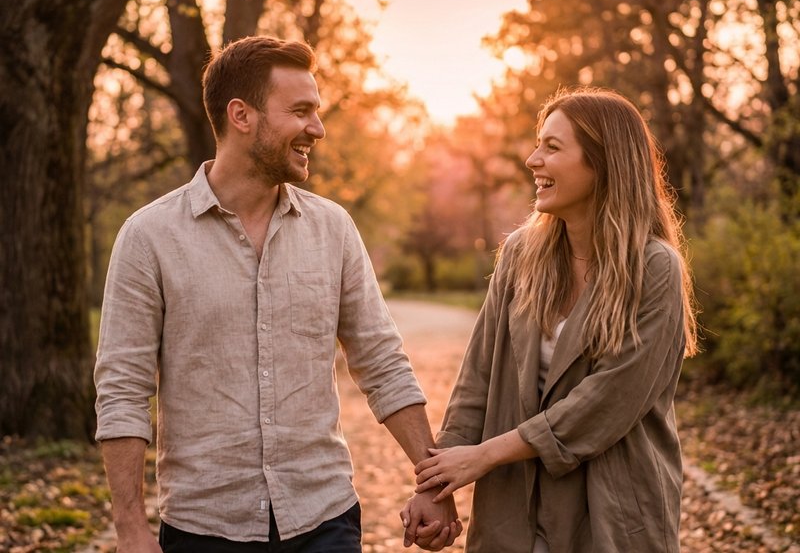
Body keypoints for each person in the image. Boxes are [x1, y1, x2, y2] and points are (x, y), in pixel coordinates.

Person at [94, 35, 461, 553]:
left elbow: (381, 361)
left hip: (325, 518)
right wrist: (131, 529)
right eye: (301, 111)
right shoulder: (149, 237)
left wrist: (432, 485)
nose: (318, 128)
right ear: (241, 115)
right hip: (204, 528)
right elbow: (123, 390)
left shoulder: (332, 229)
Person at [402, 87, 698, 552]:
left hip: (610, 515)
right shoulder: (521, 254)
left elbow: (604, 403)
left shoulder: (654, 267)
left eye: (552, 147)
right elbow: (476, 380)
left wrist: (484, 456)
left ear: (602, 164)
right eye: (538, 144)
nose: (532, 159)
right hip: (512, 514)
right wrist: (435, 487)